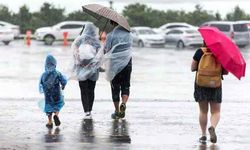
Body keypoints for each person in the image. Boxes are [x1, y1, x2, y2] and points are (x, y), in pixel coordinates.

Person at [191, 41, 228, 144]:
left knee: (203, 111)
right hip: (215, 85)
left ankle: (203, 135)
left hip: (201, 84)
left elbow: (192, 68)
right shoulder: (221, 53)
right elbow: (225, 72)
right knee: (216, 111)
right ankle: (212, 127)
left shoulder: (199, 52)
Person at [71, 22, 102, 119]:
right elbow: (100, 56)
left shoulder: (79, 40)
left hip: (81, 68)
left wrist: (80, 62)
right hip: (93, 70)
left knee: (83, 91)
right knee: (91, 90)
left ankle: (86, 111)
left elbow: (74, 53)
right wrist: (93, 63)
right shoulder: (96, 41)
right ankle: (90, 109)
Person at [103, 20, 133, 119]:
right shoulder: (128, 34)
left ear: (112, 23)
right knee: (126, 85)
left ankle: (117, 111)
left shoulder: (110, 35)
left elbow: (106, 50)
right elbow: (130, 47)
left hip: (114, 64)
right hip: (127, 63)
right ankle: (124, 103)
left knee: (115, 87)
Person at [39, 54, 67, 128]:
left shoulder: (43, 74)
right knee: (58, 104)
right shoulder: (57, 73)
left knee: (48, 106)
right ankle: (56, 115)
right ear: (55, 64)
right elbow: (63, 81)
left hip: (48, 95)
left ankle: (50, 121)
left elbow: (41, 83)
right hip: (57, 93)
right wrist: (63, 85)